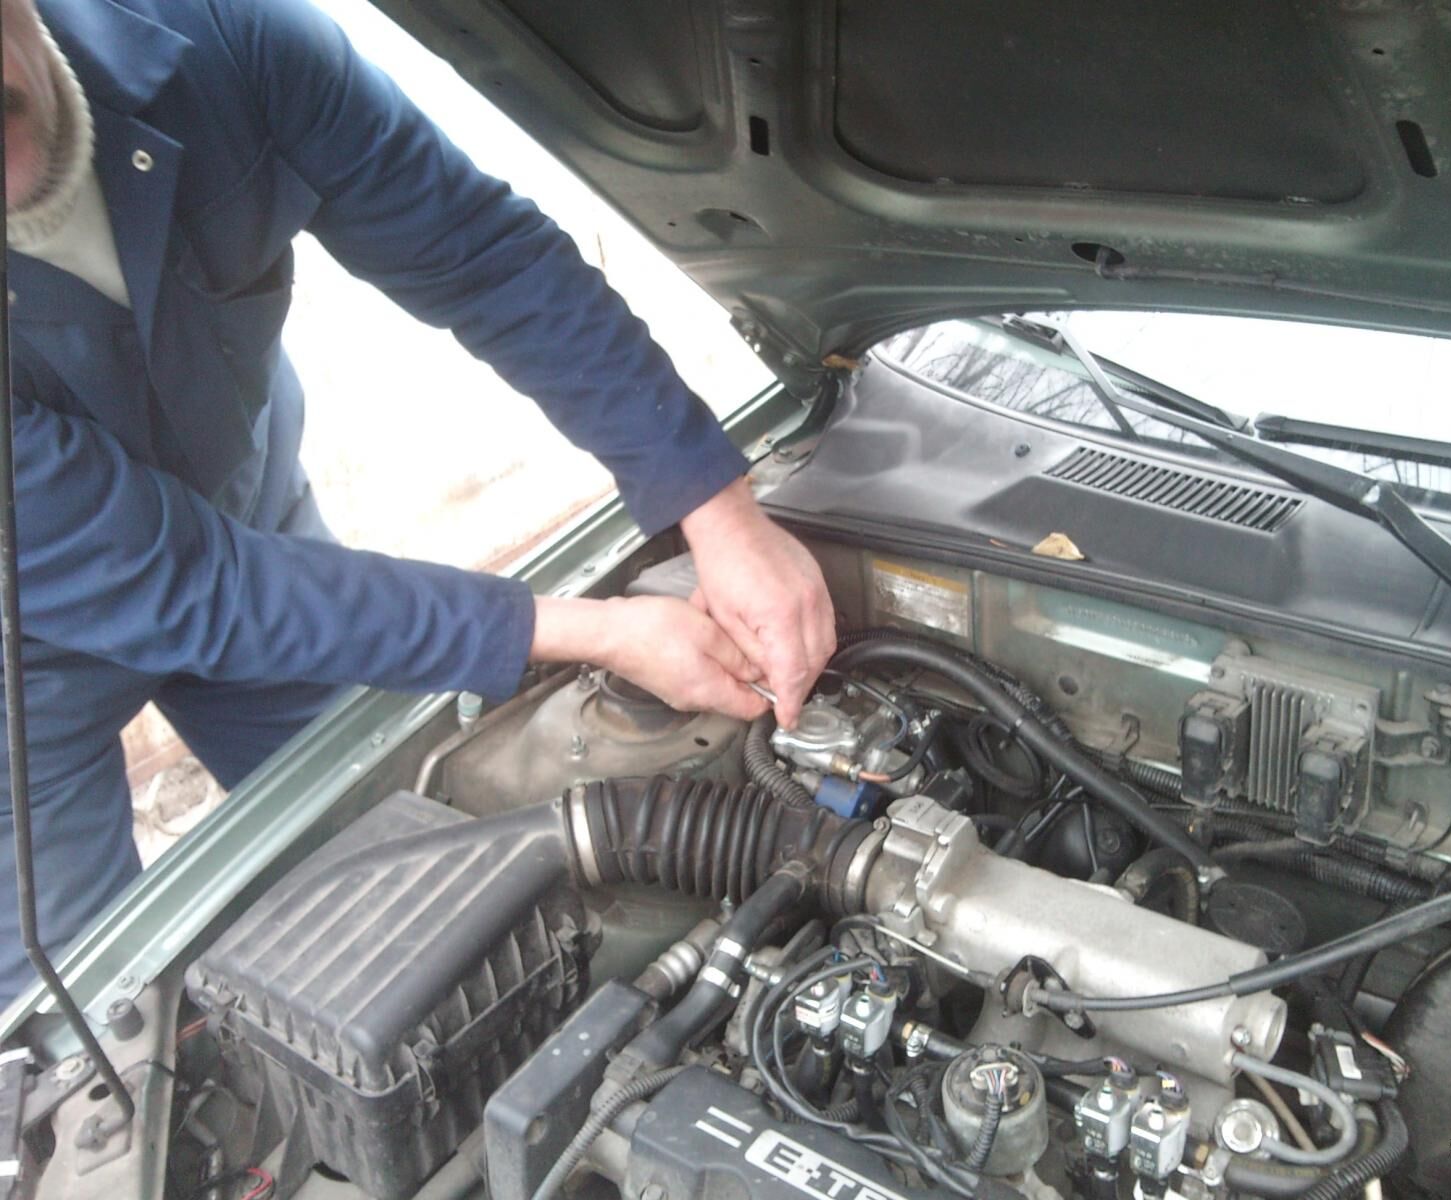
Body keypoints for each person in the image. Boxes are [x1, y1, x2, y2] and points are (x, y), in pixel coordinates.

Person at [0, 0, 834, 1006]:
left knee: (391, 872)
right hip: (24, 674)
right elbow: (188, 586)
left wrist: (721, 510)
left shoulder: (223, 38)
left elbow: (482, 257)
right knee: (76, 1030)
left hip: (252, 530)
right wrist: (599, 630)